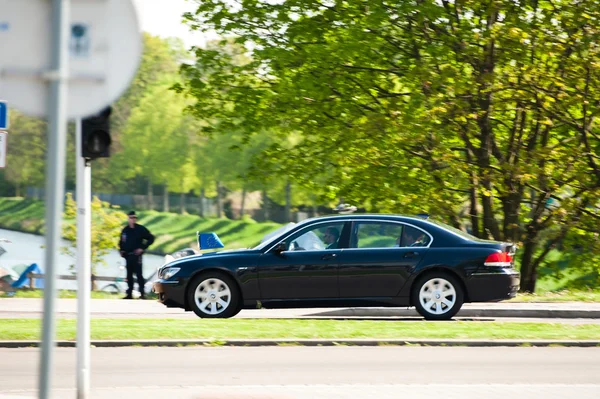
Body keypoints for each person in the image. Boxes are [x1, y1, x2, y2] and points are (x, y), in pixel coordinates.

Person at [119, 211, 155, 299]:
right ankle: (129, 293)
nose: (133, 219)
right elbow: (121, 242)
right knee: (129, 275)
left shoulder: (140, 229)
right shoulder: (125, 230)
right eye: (131, 218)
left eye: (134, 218)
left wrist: (142, 248)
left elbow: (151, 238)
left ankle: (142, 293)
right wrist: (121, 250)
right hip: (128, 255)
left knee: (139, 275)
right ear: (128, 218)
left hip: (137, 255)